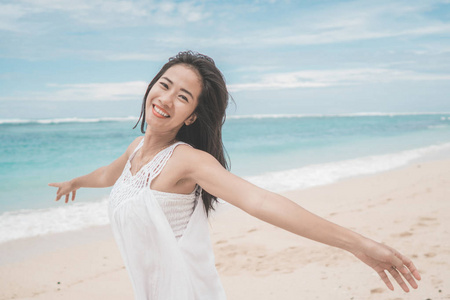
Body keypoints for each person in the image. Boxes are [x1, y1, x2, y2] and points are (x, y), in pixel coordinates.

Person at [49, 51, 421, 299]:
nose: (165, 98)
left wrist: (359, 245)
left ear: (192, 116)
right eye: (164, 85)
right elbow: (109, 175)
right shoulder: (135, 150)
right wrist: (76, 182)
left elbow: (259, 201)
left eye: (183, 96)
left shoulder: (186, 160)